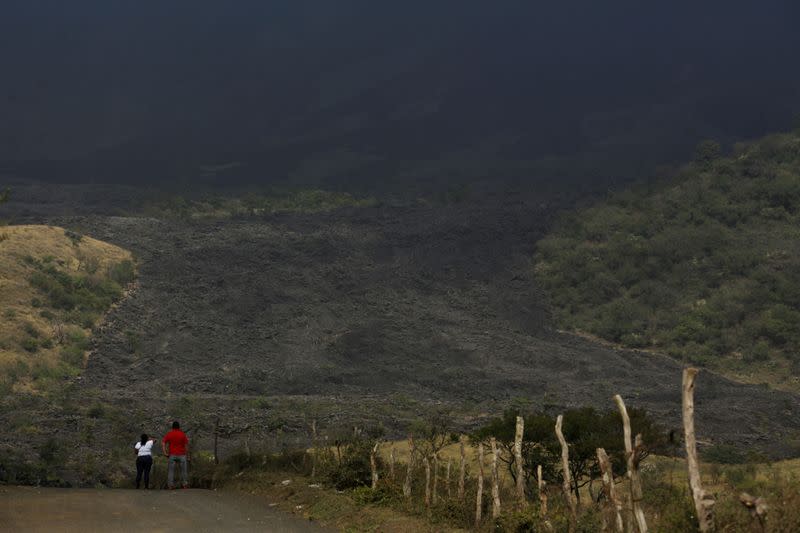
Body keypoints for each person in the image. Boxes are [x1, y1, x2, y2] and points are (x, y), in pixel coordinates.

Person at [162, 420, 190, 489]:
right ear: (179, 427)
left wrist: (165, 452)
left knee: (171, 471)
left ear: (172, 427)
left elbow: (163, 443)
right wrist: (188, 455)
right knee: (183, 470)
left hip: (172, 455)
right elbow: (186, 445)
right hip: (182, 454)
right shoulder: (182, 434)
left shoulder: (169, 434)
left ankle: (170, 485)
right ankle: (184, 484)